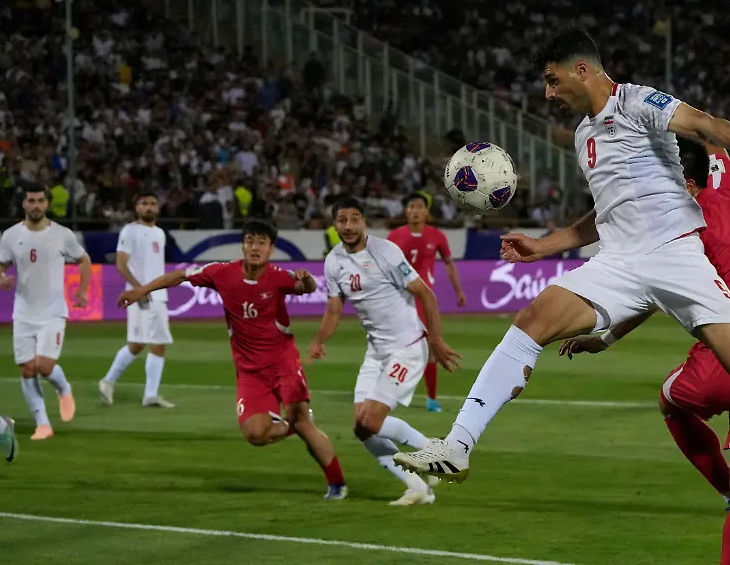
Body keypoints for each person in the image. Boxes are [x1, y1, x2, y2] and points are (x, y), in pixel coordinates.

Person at [393, 27, 730, 483]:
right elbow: (604, 213)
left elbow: (704, 124)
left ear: (582, 70)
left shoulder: (636, 102)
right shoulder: (583, 135)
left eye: (553, 80)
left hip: (675, 254)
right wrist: (543, 245)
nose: (548, 93)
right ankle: (458, 446)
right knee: (531, 322)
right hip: (618, 263)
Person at [558, 139, 730, 565]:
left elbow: (648, 297)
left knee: (671, 402)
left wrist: (605, 338)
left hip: (729, 356)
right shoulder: (729, 186)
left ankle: (724, 489)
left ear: (686, 184)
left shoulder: (686, 230)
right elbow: (711, 138)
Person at [116, 220, 348, 500]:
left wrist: (308, 279)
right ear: (243, 245)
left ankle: (337, 483)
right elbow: (179, 275)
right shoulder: (222, 272)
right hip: (249, 372)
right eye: (250, 241)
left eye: (262, 242)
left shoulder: (278, 277)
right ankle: (293, 424)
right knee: (255, 434)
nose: (255, 247)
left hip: (284, 364)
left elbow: (306, 288)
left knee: (305, 427)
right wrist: (140, 291)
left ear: (271, 249)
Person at [307, 198, 461, 505]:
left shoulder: (385, 252)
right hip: (376, 352)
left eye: (354, 219)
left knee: (371, 421)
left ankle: (437, 452)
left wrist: (436, 340)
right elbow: (334, 310)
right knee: (362, 428)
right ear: (334, 225)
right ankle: (418, 488)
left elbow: (426, 294)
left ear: (364, 221)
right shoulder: (334, 260)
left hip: (407, 347)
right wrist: (319, 340)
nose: (348, 226)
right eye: (342, 220)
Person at [0, 183, 89, 441]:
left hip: (52, 312)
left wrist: (82, 290)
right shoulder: (11, 235)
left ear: (46, 204)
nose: (35, 206)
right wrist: (0, 277)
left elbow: (83, 259)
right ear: (24, 204)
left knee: (44, 366)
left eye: (39, 201)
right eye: (31, 201)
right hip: (23, 312)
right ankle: (43, 424)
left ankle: (63, 388)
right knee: (27, 369)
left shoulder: (62, 234)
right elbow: (0, 265)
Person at [387, 190, 468, 412]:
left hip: (424, 300)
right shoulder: (394, 236)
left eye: (419, 207)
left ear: (427, 212)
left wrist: (458, 291)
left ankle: (431, 399)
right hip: (399, 299)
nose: (415, 211)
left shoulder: (437, 236)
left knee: (430, 346)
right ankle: (389, 393)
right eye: (411, 207)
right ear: (406, 211)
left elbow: (449, 264)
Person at [99, 192, 176, 408]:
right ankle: (108, 381)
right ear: (137, 208)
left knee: (159, 344)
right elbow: (121, 264)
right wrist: (138, 288)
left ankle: (150, 395)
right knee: (137, 343)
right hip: (138, 295)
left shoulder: (160, 233)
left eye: (153, 203)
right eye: (144, 203)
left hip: (158, 295)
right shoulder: (130, 231)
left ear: (158, 208)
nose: (149, 207)